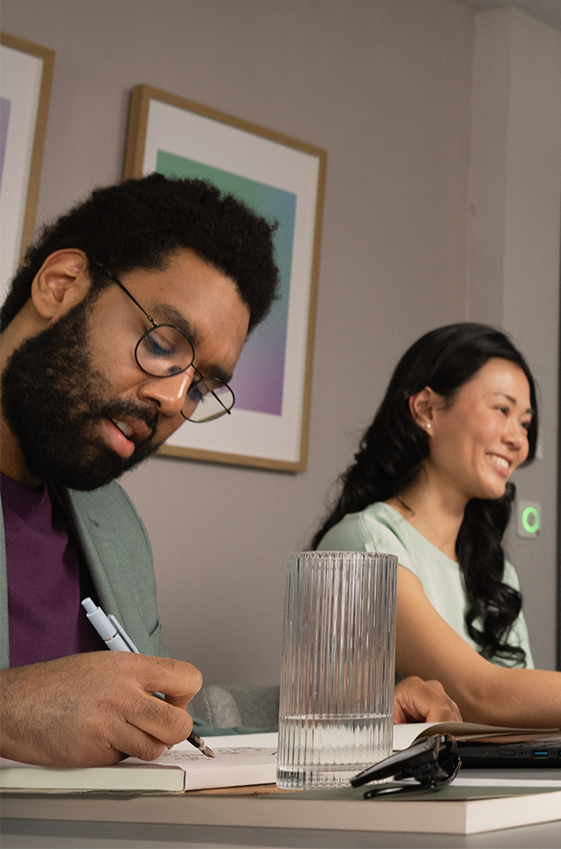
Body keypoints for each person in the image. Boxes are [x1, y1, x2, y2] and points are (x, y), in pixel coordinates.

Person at [0, 175, 457, 767]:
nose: (173, 401)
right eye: (164, 344)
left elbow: (169, 725)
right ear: (61, 286)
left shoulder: (112, 525)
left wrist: (347, 714)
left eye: (204, 385)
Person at [314, 323, 561, 729]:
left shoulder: (491, 572)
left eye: (525, 423)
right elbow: (479, 695)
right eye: (502, 410)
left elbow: (522, 714)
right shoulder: (364, 545)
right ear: (425, 409)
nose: (518, 440)